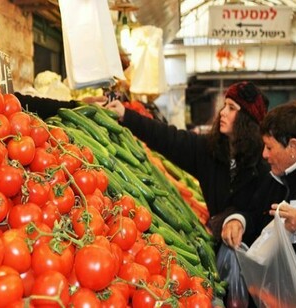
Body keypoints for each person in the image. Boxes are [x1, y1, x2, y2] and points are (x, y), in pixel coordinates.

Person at [106, 81, 270, 243]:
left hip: (254, 252)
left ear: (247, 120)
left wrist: (239, 220)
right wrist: (126, 115)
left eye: (232, 108)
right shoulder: (210, 150)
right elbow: (169, 138)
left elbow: (262, 214)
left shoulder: (264, 162)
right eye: (225, 105)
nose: (223, 112)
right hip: (222, 248)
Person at [221, 101, 296, 301]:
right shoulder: (276, 176)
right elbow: (256, 213)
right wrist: (239, 221)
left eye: (269, 147)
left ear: (293, 146)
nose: (264, 154)